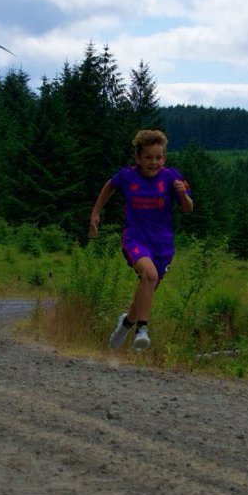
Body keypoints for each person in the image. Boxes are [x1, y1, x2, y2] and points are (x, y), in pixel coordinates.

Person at [89, 129, 193, 350]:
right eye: (148, 157)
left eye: (159, 157)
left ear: (164, 158)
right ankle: (141, 330)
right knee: (149, 274)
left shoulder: (172, 177)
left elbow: (187, 209)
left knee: (147, 286)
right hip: (135, 238)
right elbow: (110, 186)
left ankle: (126, 324)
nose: (154, 162)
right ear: (138, 158)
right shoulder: (128, 176)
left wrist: (183, 194)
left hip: (163, 245)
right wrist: (96, 213)